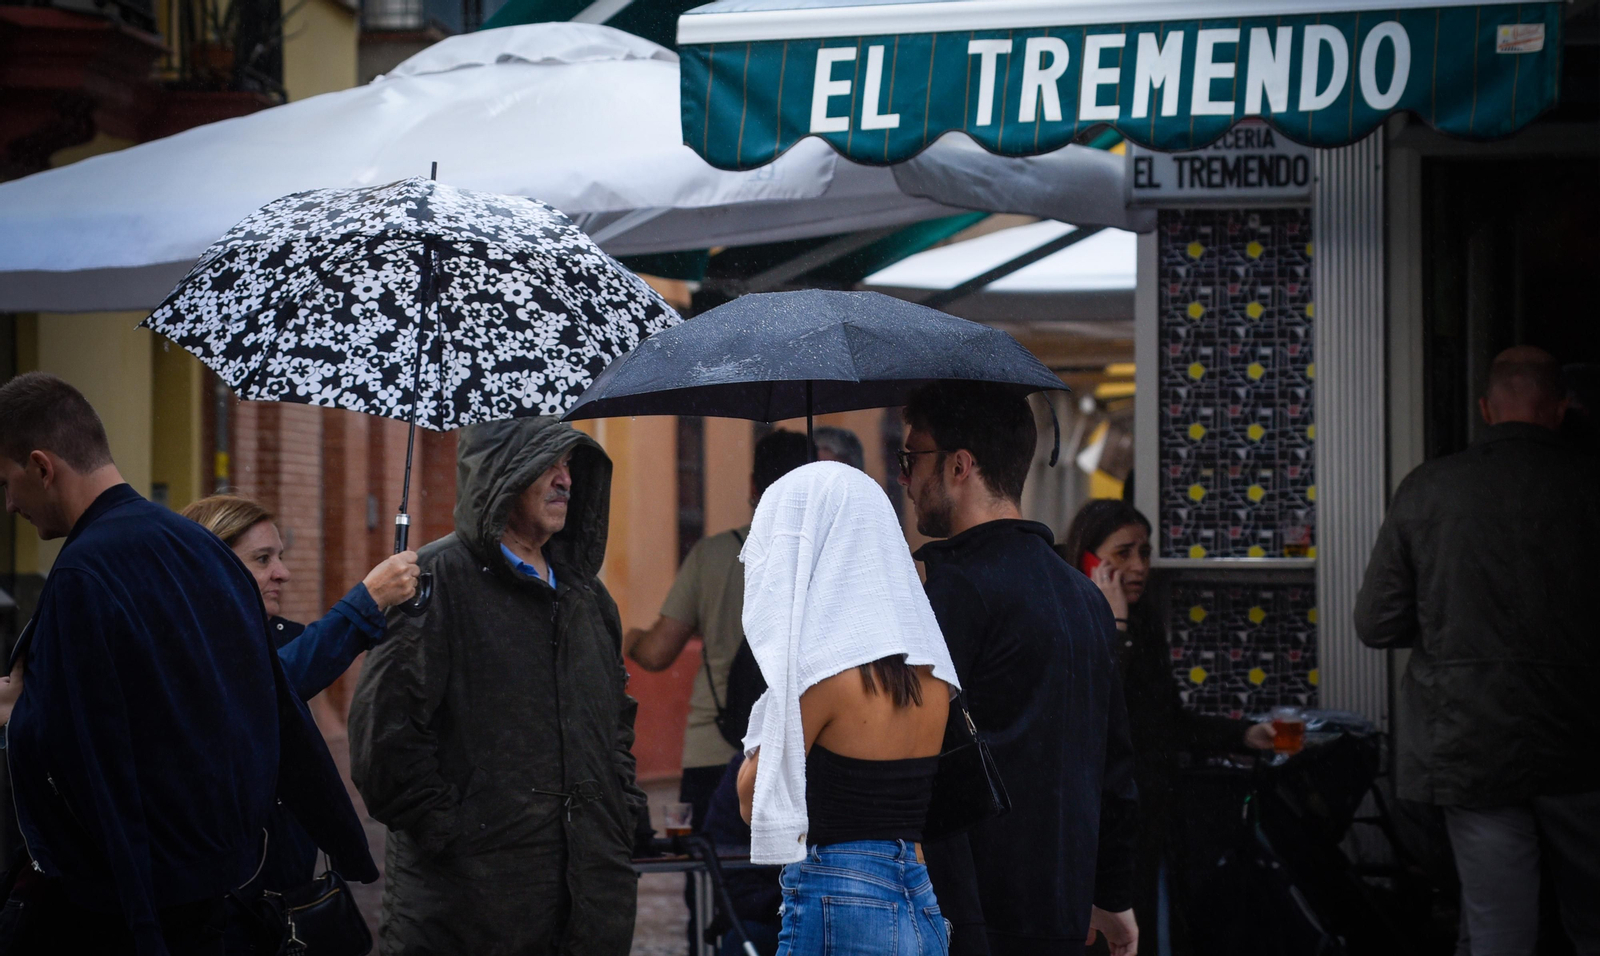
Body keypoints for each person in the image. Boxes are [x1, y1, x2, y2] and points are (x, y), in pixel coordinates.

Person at [0, 372, 375, 956]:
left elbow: (93, 764)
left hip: (132, 907)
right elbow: (261, 703)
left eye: (7, 482)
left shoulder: (83, 573)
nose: (8, 504)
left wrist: (17, 717)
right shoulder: (193, 544)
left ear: (43, 467)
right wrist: (341, 841)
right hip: (218, 886)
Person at [349, 416, 647, 956]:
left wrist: (619, 812)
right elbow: (385, 741)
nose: (566, 481)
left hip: (587, 910)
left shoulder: (587, 597)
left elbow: (615, 725)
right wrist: (454, 836)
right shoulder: (433, 582)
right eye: (548, 465)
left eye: (569, 465)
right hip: (468, 914)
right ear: (503, 475)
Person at [1355, 347, 1600, 956]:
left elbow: (1375, 623)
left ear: (1487, 409)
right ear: (1561, 408)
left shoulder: (1429, 488)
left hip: (1470, 742)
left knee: (1498, 929)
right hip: (1585, 740)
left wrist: (1452, 625)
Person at [898, 381, 1139, 956]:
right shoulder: (1083, 597)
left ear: (960, 465)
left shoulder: (950, 590)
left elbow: (912, 750)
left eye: (913, 458)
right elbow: (1115, 765)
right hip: (1062, 907)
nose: (904, 478)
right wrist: (1111, 893)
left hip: (970, 911)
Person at [735, 461, 960, 956]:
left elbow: (754, 802)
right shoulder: (936, 676)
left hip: (839, 895)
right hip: (917, 893)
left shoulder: (824, 680)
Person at [181, 494, 418, 952]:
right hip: (222, 911)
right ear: (211, 567)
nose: (282, 573)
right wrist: (367, 598)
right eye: (262, 559)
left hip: (287, 896)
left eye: (281, 556)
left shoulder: (277, 635)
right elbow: (270, 685)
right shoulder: (188, 652)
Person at [1058, 500, 1275, 955]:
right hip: (1096, 824)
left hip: (1149, 812)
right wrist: (1115, 627)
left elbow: (1166, 720)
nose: (1139, 566)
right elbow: (1093, 711)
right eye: (1123, 553)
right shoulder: (1072, 619)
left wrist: (1241, 735)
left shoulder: (1144, 623)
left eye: (1145, 551)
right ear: (1090, 559)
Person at [625, 429, 811, 830]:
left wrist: (630, 638)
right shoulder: (823, 559)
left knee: (712, 877)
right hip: (798, 750)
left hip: (715, 749)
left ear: (752, 485)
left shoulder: (712, 556)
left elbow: (657, 654)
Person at [701, 754, 782, 956]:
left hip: (840, 910)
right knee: (743, 941)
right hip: (770, 914)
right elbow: (726, 862)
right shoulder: (750, 766)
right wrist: (781, 905)